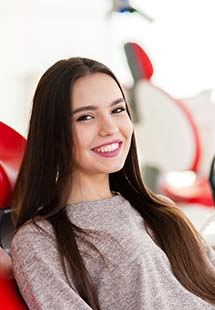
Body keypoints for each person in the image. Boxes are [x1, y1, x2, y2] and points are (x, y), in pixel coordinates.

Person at [10, 57, 215, 310]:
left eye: (117, 110)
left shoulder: (162, 210)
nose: (110, 128)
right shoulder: (39, 240)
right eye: (86, 117)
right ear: (54, 134)